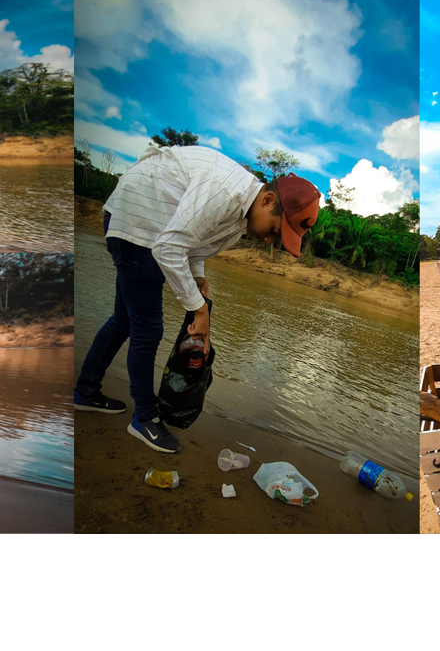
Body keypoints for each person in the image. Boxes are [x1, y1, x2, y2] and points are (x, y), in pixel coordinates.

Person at [73, 145, 321, 453]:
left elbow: (191, 242)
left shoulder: (241, 215)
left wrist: (198, 277)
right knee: (147, 330)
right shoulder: (225, 191)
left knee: (124, 320)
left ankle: (85, 392)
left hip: (145, 228)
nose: (270, 240)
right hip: (140, 224)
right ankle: (144, 419)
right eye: (274, 230)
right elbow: (168, 248)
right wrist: (199, 309)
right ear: (268, 200)